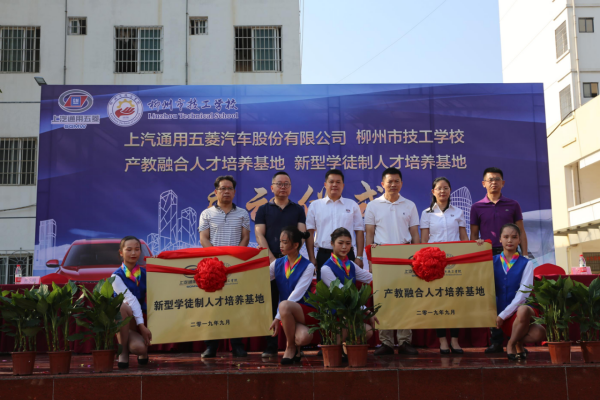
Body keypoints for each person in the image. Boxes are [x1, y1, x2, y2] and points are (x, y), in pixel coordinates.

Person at [470, 167, 529, 354]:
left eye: (497, 179)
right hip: (489, 255)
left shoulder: (513, 204)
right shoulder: (476, 207)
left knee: (514, 294)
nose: (493, 182)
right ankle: (496, 341)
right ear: (484, 183)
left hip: (512, 253)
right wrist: (476, 253)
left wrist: (525, 254)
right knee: (492, 297)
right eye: (490, 179)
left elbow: (521, 231)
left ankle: (516, 340)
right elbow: (473, 236)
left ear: (503, 183)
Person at [365, 167, 420, 356]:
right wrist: (370, 260)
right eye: (390, 181)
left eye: (397, 181)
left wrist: (417, 258)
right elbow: (369, 234)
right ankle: (386, 342)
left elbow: (414, 234)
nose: (393, 184)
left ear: (401, 183)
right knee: (383, 299)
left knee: (405, 299)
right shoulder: (373, 206)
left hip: (405, 256)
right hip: (382, 257)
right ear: (383, 184)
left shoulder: (410, 205)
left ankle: (405, 341)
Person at [255, 171, 307, 358]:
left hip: (292, 262)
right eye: (279, 184)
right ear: (272, 187)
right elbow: (259, 234)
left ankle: (296, 345)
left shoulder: (298, 209)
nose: (283, 187)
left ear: (290, 187)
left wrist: (291, 254)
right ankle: (271, 345)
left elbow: (301, 234)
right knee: (270, 303)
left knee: (292, 301)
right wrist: (271, 258)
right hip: (271, 261)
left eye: (286, 184)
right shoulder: (263, 209)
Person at [199, 175, 251, 358]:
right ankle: (211, 346)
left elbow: (245, 237)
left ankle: (237, 345)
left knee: (236, 305)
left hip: (235, 266)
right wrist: (217, 259)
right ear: (216, 192)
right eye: (222, 188)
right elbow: (204, 238)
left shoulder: (243, 213)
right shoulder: (206, 214)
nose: (226, 191)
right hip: (213, 267)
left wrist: (235, 259)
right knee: (212, 307)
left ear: (234, 192)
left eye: (229, 188)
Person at [420, 177, 469, 355]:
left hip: (455, 262)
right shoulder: (426, 213)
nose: (442, 191)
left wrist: (471, 250)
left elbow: (464, 238)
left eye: (446, 188)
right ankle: (442, 340)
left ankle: (455, 340)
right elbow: (424, 241)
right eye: (439, 188)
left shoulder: (458, 212)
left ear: (450, 191)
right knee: (438, 301)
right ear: (433, 192)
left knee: (455, 300)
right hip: (434, 263)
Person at [484, 223, 545, 360]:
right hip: (499, 311)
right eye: (506, 237)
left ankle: (511, 343)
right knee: (535, 330)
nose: (509, 240)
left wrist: (503, 315)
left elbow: (523, 294)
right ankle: (518, 343)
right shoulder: (491, 262)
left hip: (519, 312)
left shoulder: (527, 263)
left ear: (519, 240)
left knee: (539, 332)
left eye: (514, 237)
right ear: (500, 239)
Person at [321, 227, 378, 344]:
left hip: (349, 311)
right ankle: (334, 348)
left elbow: (371, 278)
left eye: (348, 243)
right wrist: (367, 312)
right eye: (340, 243)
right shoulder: (326, 268)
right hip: (334, 313)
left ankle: (346, 349)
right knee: (347, 320)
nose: (344, 247)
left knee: (367, 331)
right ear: (332, 243)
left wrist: (378, 256)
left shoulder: (350, 264)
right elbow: (344, 293)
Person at [269, 226, 316, 365]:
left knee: (284, 305)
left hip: (304, 310)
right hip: (286, 312)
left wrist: (278, 317)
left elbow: (297, 294)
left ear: (295, 245)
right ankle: (296, 349)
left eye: (285, 242)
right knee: (302, 337)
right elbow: (260, 279)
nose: (281, 245)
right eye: (280, 242)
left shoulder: (308, 266)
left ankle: (290, 346)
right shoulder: (277, 263)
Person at [306, 169, 365, 280]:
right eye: (331, 182)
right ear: (325, 185)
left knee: (349, 288)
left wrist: (359, 257)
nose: (334, 185)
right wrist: (312, 257)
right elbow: (309, 233)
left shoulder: (352, 205)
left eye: (338, 182)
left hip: (347, 255)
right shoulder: (315, 206)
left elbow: (359, 231)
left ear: (343, 185)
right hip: (324, 255)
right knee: (324, 289)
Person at [112, 236, 152, 369]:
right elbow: (131, 300)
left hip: (138, 318)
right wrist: (142, 326)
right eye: (129, 250)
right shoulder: (116, 276)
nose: (133, 253)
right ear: (121, 252)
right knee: (122, 306)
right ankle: (123, 352)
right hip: (124, 319)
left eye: (137, 249)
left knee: (139, 348)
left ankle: (141, 346)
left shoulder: (145, 273)